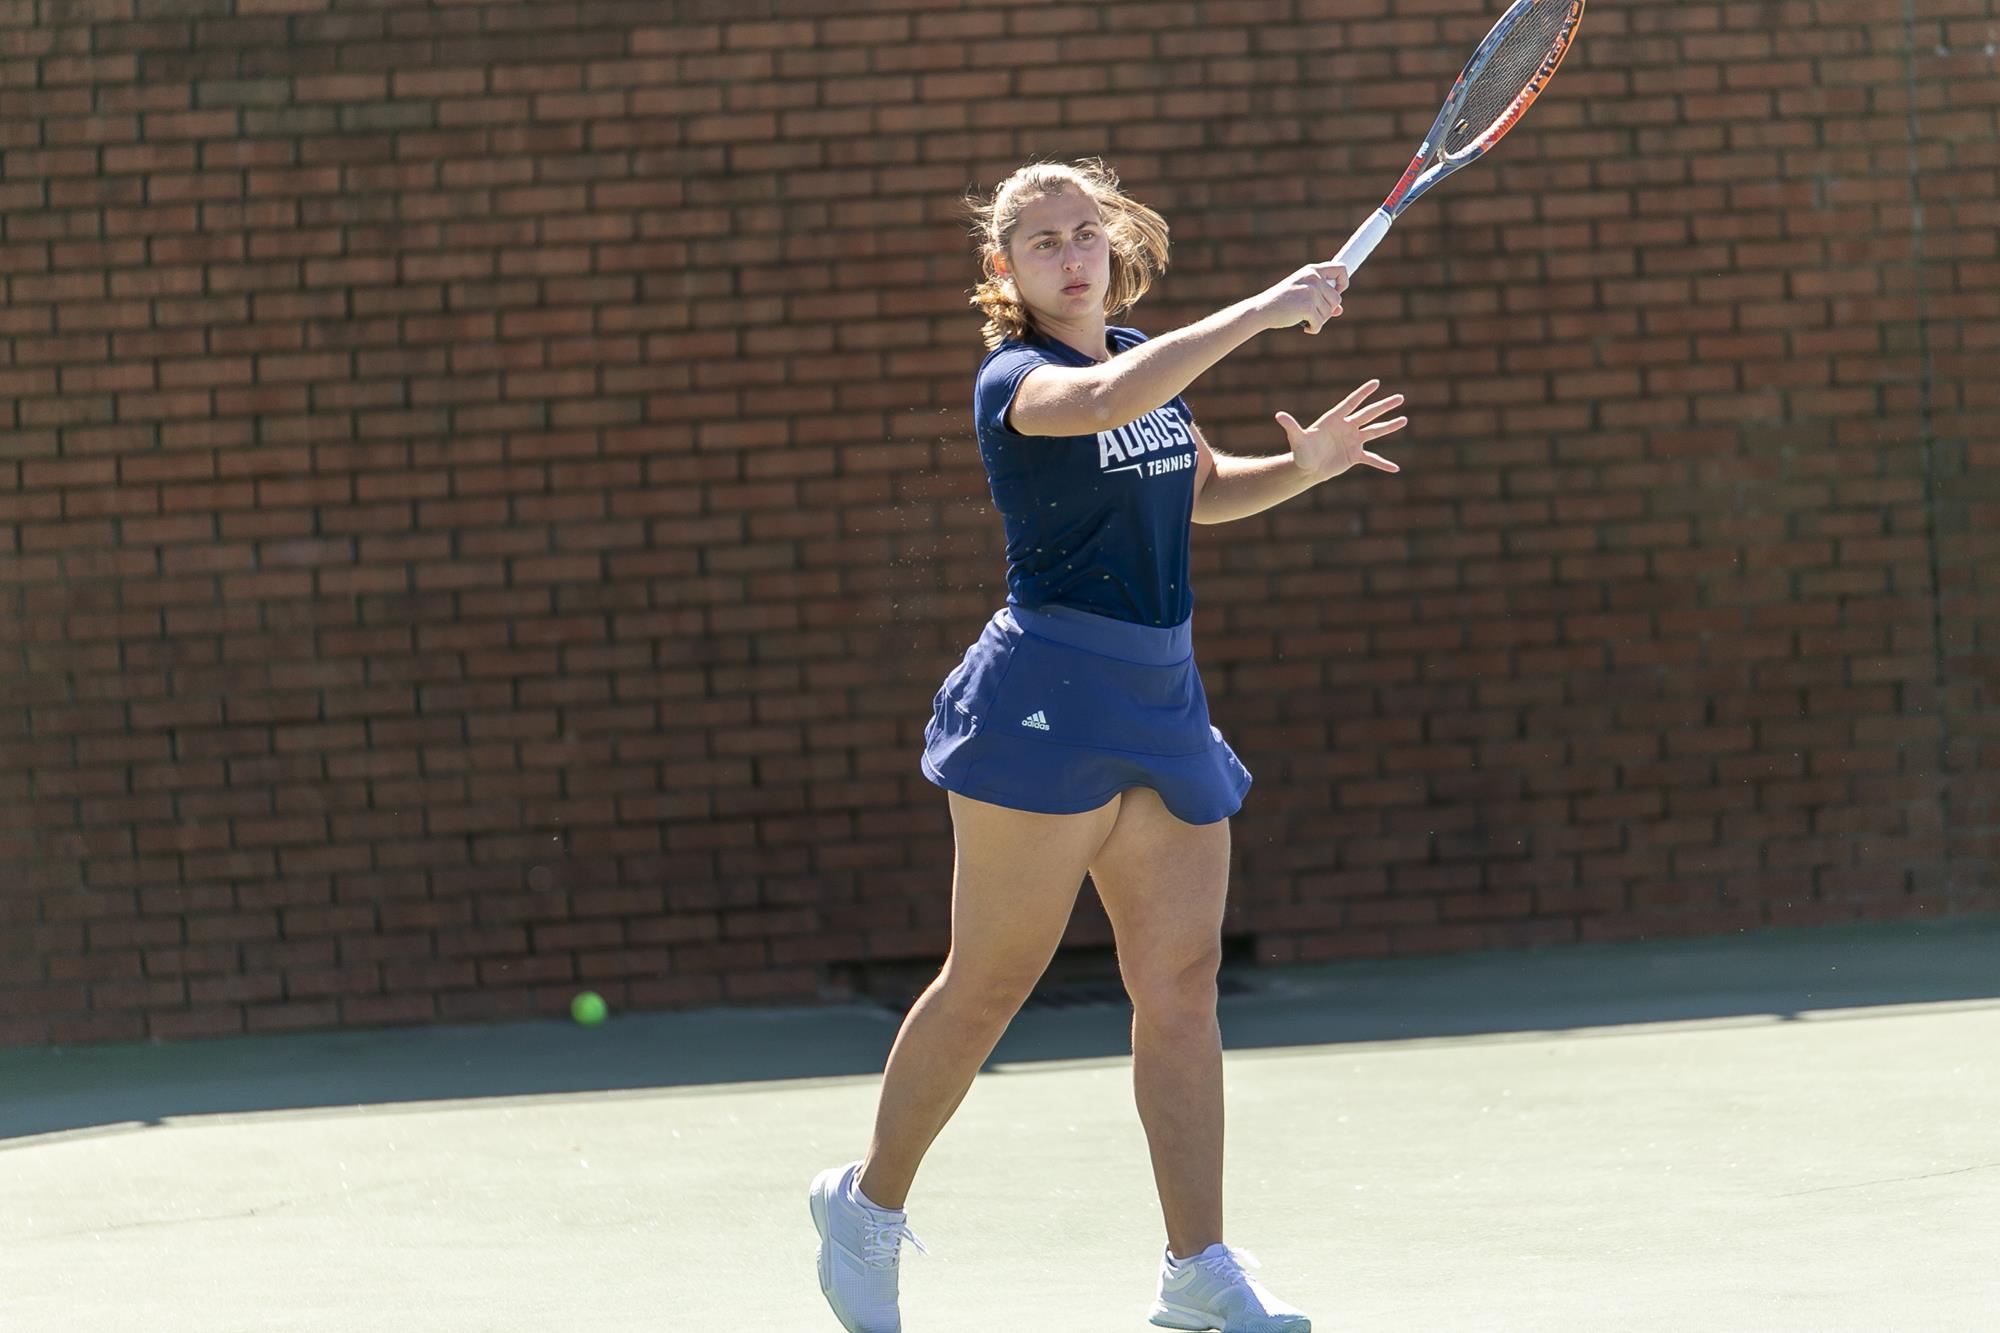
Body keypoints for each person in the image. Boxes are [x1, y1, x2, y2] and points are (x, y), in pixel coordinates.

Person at [809, 158, 1407, 1333]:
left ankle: (1196, 1271)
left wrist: (1300, 468)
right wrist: (1254, 311)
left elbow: (1189, 489)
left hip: (1162, 698)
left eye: (1085, 231)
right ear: (1006, 270)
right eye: (1043, 242)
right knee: (988, 986)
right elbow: (1099, 411)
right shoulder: (1016, 380)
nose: (1072, 255)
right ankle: (864, 1208)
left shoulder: (1138, 357)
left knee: (1180, 990)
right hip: (1043, 701)